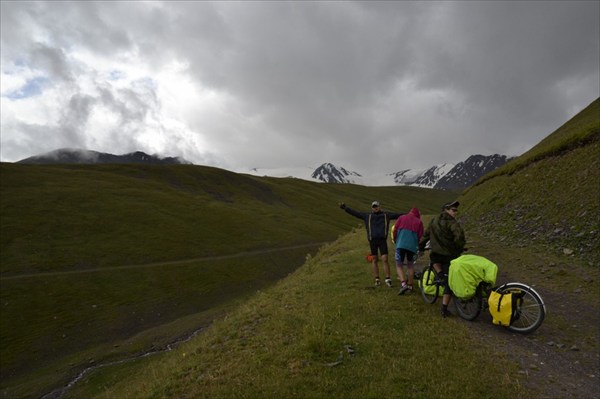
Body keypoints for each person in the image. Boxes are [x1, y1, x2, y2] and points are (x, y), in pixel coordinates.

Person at [339, 201, 403, 287]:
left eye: (377, 206)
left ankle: (388, 278)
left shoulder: (386, 215)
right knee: (374, 259)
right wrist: (346, 208)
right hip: (372, 241)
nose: (375, 208)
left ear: (380, 207)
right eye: (374, 207)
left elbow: (398, 215)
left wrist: (410, 214)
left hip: (382, 240)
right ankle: (377, 279)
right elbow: (356, 213)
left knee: (385, 258)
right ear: (371, 208)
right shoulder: (367, 216)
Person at [418, 200, 466, 317]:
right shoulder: (452, 223)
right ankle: (444, 308)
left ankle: (439, 274)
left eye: (456, 210)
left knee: (434, 259)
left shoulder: (434, 221)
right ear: (446, 210)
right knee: (449, 281)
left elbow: (426, 235)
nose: (455, 212)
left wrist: (421, 246)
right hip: (450, 255)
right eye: (453, 210)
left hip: (436, 254)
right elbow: (459, 237)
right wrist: (459, 247)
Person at [392, 207, 424, 295]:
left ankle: (403, 284)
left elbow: (395, 229)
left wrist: (395, 240)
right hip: (412, 247)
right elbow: (421, 235)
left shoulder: (401, 218)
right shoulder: (419, 222)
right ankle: (410, 286)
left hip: (400, 245)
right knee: (410, 266)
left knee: (399, 265)